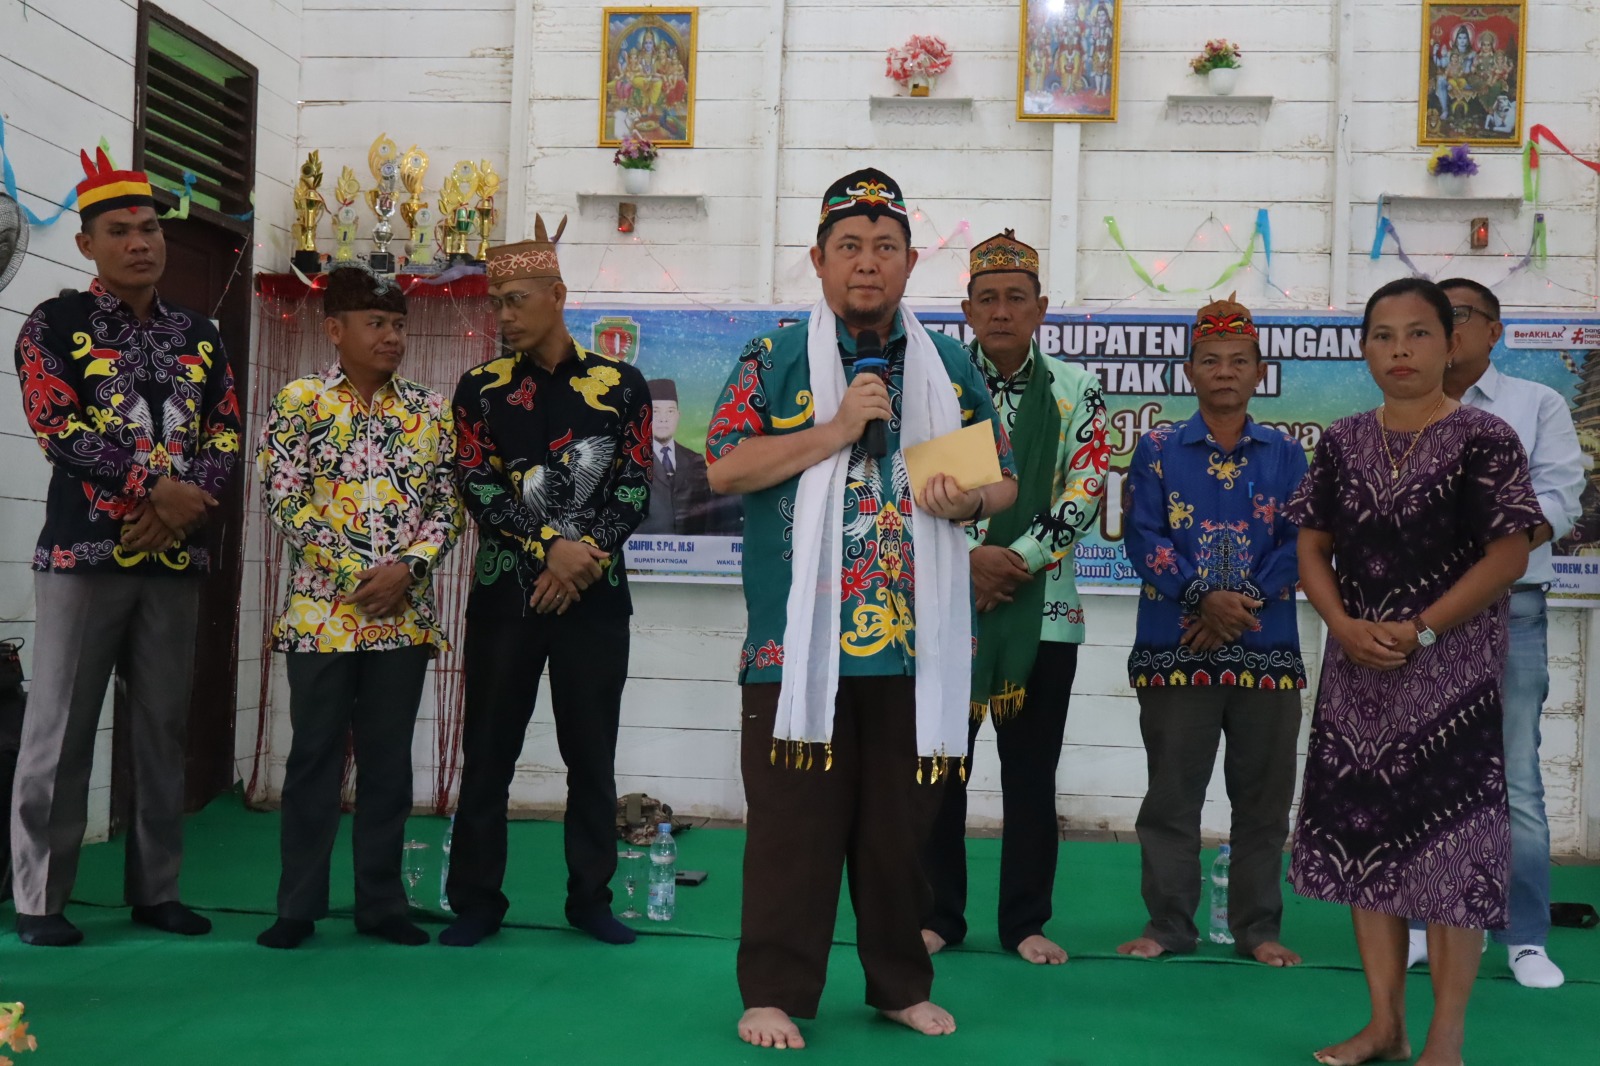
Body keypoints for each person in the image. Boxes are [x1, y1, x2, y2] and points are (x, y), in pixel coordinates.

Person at [708, 168, 1017, 1050]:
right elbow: (726, 467)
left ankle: (896, 983)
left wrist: (969, 504)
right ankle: (772, 991)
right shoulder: (773, 360)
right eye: (850, 247)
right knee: (791, 835)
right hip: (793, 653)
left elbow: (999, 480)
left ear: (912, 262)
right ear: (818, 260)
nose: (868, 264)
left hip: (914, 655)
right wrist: (838, 429)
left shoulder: (943, 363)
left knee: (898, 838)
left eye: (886, 248)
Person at [1286, 277, 1542, 1066]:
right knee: (1369, 852)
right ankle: (1383, 1025)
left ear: (1450, 342)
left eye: (1417, 333)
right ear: (1364, 348)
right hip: (1358, 672)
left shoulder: (1484, 439)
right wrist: (1340, 625)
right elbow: (1310, 543)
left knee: (1450, 858)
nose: (1399, 350)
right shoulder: (1342, 441)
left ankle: (1445, 1038)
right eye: (1382, 336)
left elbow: (1510, 551)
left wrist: (1425, 630)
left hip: (1452, 678)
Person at [9, 148, 240, 946]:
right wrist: (154, 490)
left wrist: (177, 512)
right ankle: (40, 899)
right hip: (81, 557)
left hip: (173, 562)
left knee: (161, 731)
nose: (140, 242)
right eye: (121, 231)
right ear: (88, 245)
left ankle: (157, 890)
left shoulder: (199, 334)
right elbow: (57, 426)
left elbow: (226, 431)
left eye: (149, 228)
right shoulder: (52, 324)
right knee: (60, 731)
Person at [441, 215, 653, 948]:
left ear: (558, 295)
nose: (502, 315)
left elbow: (635, 486)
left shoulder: (620, 385)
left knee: (591, 755)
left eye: (516, 300)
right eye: (495, 301)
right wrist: (547, 545)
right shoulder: (480, 389)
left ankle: (590, 898)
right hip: (506, 597)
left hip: (596, 597)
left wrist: (581, 554)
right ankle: (476, 899)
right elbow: (476, 482)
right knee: (489, 753)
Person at [254, 267, 463, 950]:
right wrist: (356, 574)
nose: (393, 337)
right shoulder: (300, 402)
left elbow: (447, 504)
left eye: (399, 325)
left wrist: (410, 569)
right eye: (377, 324)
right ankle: (297, 907)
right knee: (313, 758)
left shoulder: (430, 411)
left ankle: (381, 904)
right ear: (335, 330)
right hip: (321, 615)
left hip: (401, 619)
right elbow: (284, 501)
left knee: (388, 764)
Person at [919, 230, 1107, 966]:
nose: (1001, 311)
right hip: (947, 608)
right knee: (942, 767)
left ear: (1042, 310)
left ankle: (1026, 921)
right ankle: (939, 915)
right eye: (987, 298)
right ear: (967, 308)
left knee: (1032, 777)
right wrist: (970, 561)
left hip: (1046, 614)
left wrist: (1016, 560)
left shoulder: (1076, 389)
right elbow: (927, 491)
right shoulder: (942, 386)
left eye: (1016, 298)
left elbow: (1084, 488)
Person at [1399, 278, 1584, 989]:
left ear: (1492, 330)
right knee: (1420, 773)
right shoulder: (1400, 411)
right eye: (1420, 323)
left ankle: (1525, 937)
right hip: (1419, 615)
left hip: (1511, 606)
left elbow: (1560, 501)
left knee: (1515, 781)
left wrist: (1479, 548)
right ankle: (1420, 926)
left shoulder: (1536, 406)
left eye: (1454, 317)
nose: (1434, 333)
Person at [1116, 294, 1307, 968]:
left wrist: (1237, 603)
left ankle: (1259, 930)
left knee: (1263, 801)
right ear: (1189, 371)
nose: (1224, 371)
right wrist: (1202, 597)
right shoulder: (1158, 450)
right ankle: (1168, 926)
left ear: (1260, 372)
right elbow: (1143, 536)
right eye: (1210, 361)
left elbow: (1301, 542)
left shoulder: (1288, 454)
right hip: (1176, 645)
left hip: (1266, 647)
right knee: (1170, 797)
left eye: (1238, 361)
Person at [636, 378, 714, 535]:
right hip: (643, 554)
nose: (663, 418)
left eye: (670, 411)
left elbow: (707, 511)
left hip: (690, 553)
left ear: (678, 415)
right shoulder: (633, 459)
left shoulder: (695, 460)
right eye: (656, 411)